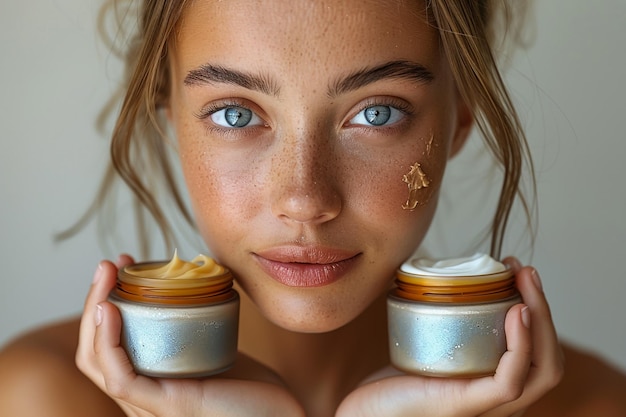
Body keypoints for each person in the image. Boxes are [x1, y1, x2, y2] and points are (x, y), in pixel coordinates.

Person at [1, 1, 625, 416]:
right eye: (235, 114)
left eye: (376, 113)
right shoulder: (41, 400)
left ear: (459, 119)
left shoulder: (593, 405)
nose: (305, 199)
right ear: (171, 119)